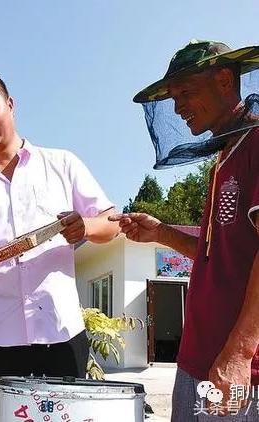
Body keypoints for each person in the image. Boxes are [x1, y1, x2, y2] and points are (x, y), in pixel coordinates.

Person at [0, 71, 118, 421]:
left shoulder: (62, 163)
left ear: (11, 105)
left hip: (61, 333)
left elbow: (111, 223)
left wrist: (85, 226)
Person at [110, 40, 259, 421]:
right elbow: (222, 255)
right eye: (172, 98)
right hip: (199, 360)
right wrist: (162, 234)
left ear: (225, 80)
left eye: (186, 92)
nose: (177, 107)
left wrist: (240, 353)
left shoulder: (257, 143)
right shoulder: (226, 157)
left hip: (241, 370)